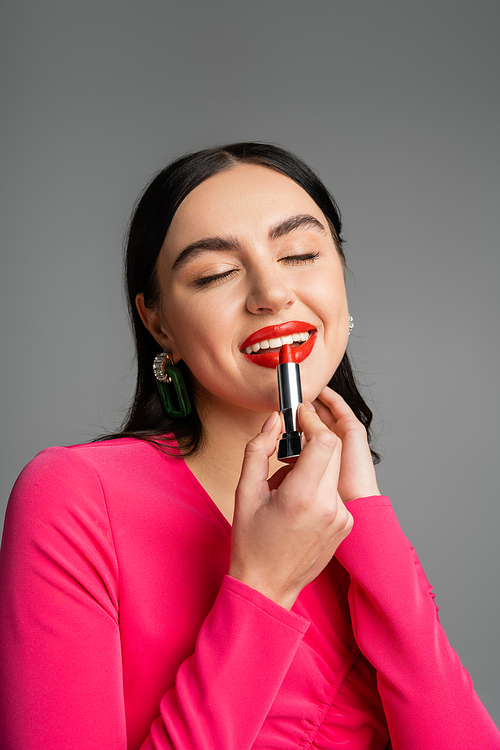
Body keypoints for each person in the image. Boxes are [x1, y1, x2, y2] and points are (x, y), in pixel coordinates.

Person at [0, 142, 498, 750]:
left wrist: (369, 527)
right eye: (215, 274)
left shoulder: (352, 517)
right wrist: (261, 587)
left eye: (300, 254)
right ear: (159, 324)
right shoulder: (79, 497)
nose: (271, 293)